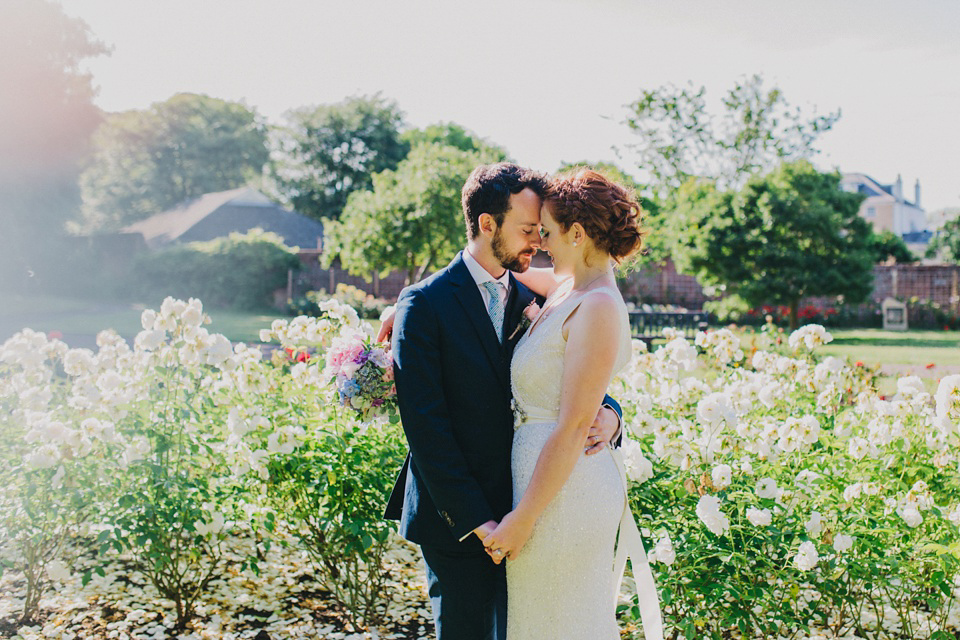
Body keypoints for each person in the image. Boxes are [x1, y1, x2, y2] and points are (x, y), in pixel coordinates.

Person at [382, 163, 623, 640]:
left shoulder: (538, 297)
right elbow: (427, 431)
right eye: (527, 229)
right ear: (487, 224)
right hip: (460, 517)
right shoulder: (424, 304)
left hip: (530, 506)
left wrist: (612, 414)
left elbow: (568, 380)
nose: (537, 242)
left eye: (541, 230)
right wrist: (478, 522)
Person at [480, 168, 664, 639]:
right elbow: (489, 276)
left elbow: (573, 426)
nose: (540, 243)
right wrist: (404, 305)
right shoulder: (566, 288)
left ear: (577, 234)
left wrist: (524, 518)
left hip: (564, 495)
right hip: (542, 488)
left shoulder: (598, 305)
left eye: (548, 232)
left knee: (561, 624)